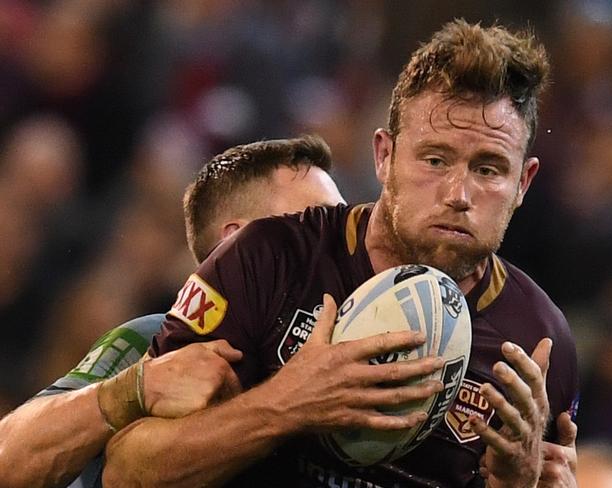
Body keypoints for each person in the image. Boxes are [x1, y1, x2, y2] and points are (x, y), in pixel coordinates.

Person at [103, 19, 579, 488]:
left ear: (523, 183)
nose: (458, 193)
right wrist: (285, 406)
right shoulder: (268, 259)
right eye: (434, 159)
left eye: (488, 169)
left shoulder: (541, 342)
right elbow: (126, 470)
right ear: (384, 157)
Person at [0, 135, 347, 488]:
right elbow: (8, 460)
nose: (340, 247)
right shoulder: (151, 344)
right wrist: (134, 390)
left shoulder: (358, 364)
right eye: (314, 227)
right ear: (237, 245)